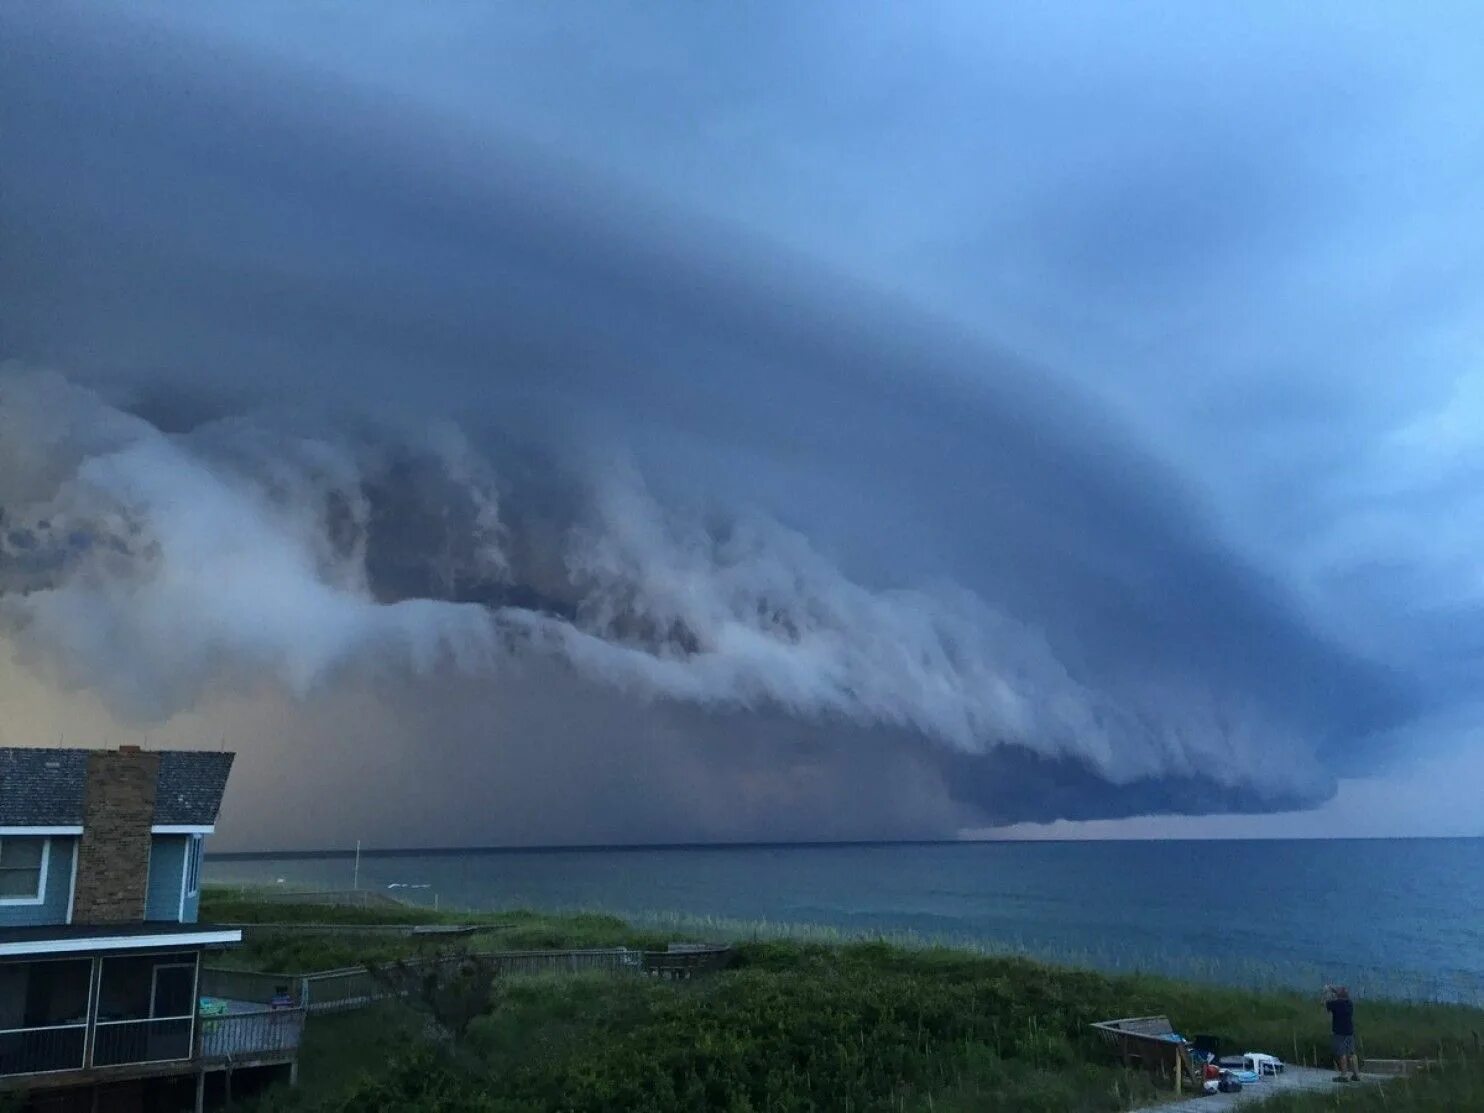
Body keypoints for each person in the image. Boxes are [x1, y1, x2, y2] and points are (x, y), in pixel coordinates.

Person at [1322, 985, 1360, 1082]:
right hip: (1349, 1031)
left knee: (1342, 1053)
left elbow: (1325, 1004)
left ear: (1338, 995)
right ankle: (1356, 1074)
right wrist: (1333, 989)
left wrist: (1326, 992)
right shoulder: (1349, 1003)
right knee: (1352, 1053)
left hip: (1339, 1032)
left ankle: (1344, 1076)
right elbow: (1342, 995)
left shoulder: (1336, 1004)